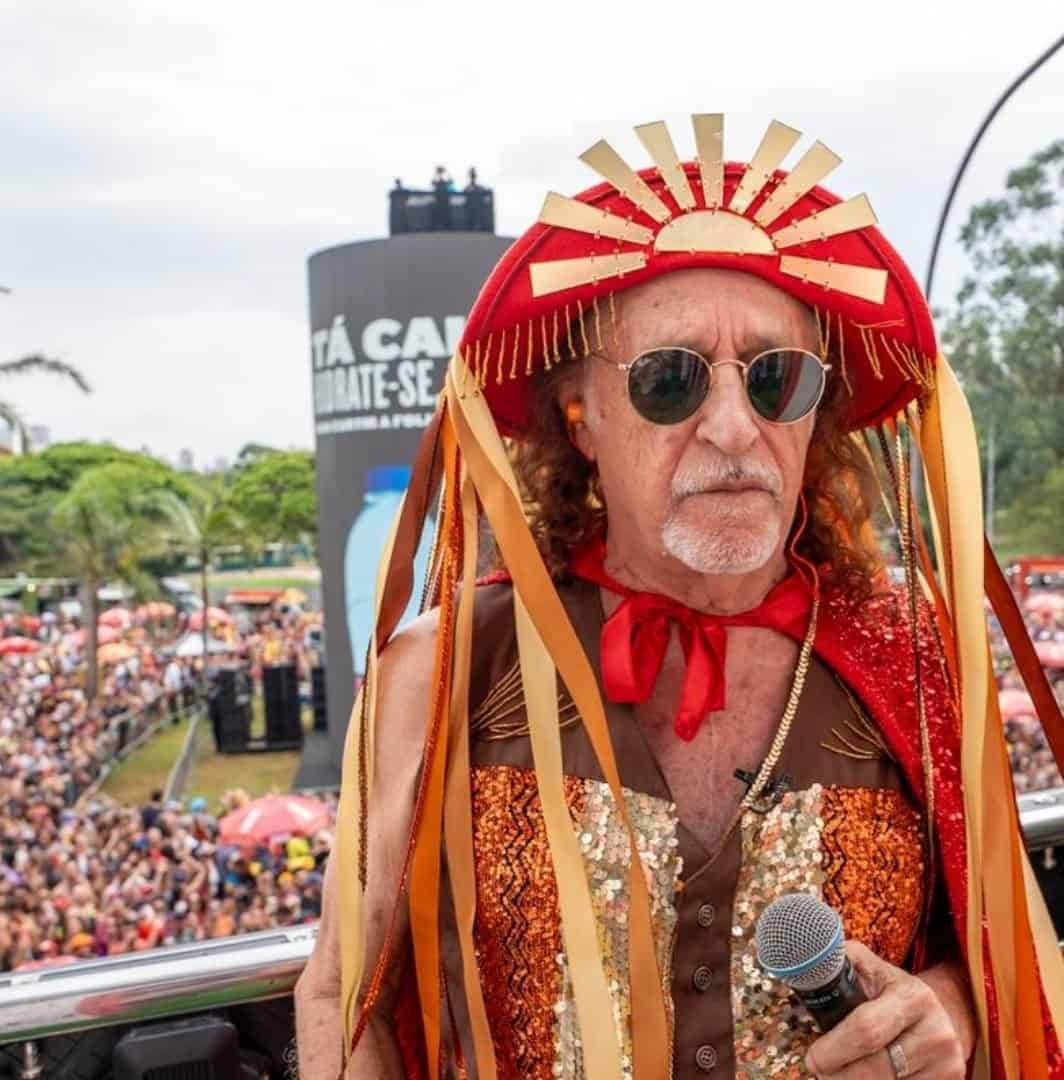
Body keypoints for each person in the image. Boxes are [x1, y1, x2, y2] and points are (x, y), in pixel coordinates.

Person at [295, 114, 1064, 1077]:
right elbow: (339, 993)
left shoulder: (910, 651)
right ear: (581, 417)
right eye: (671, 381)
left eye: (778, 377)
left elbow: (994, 949)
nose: (736, 429)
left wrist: (946, 1010)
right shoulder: (447, 668)